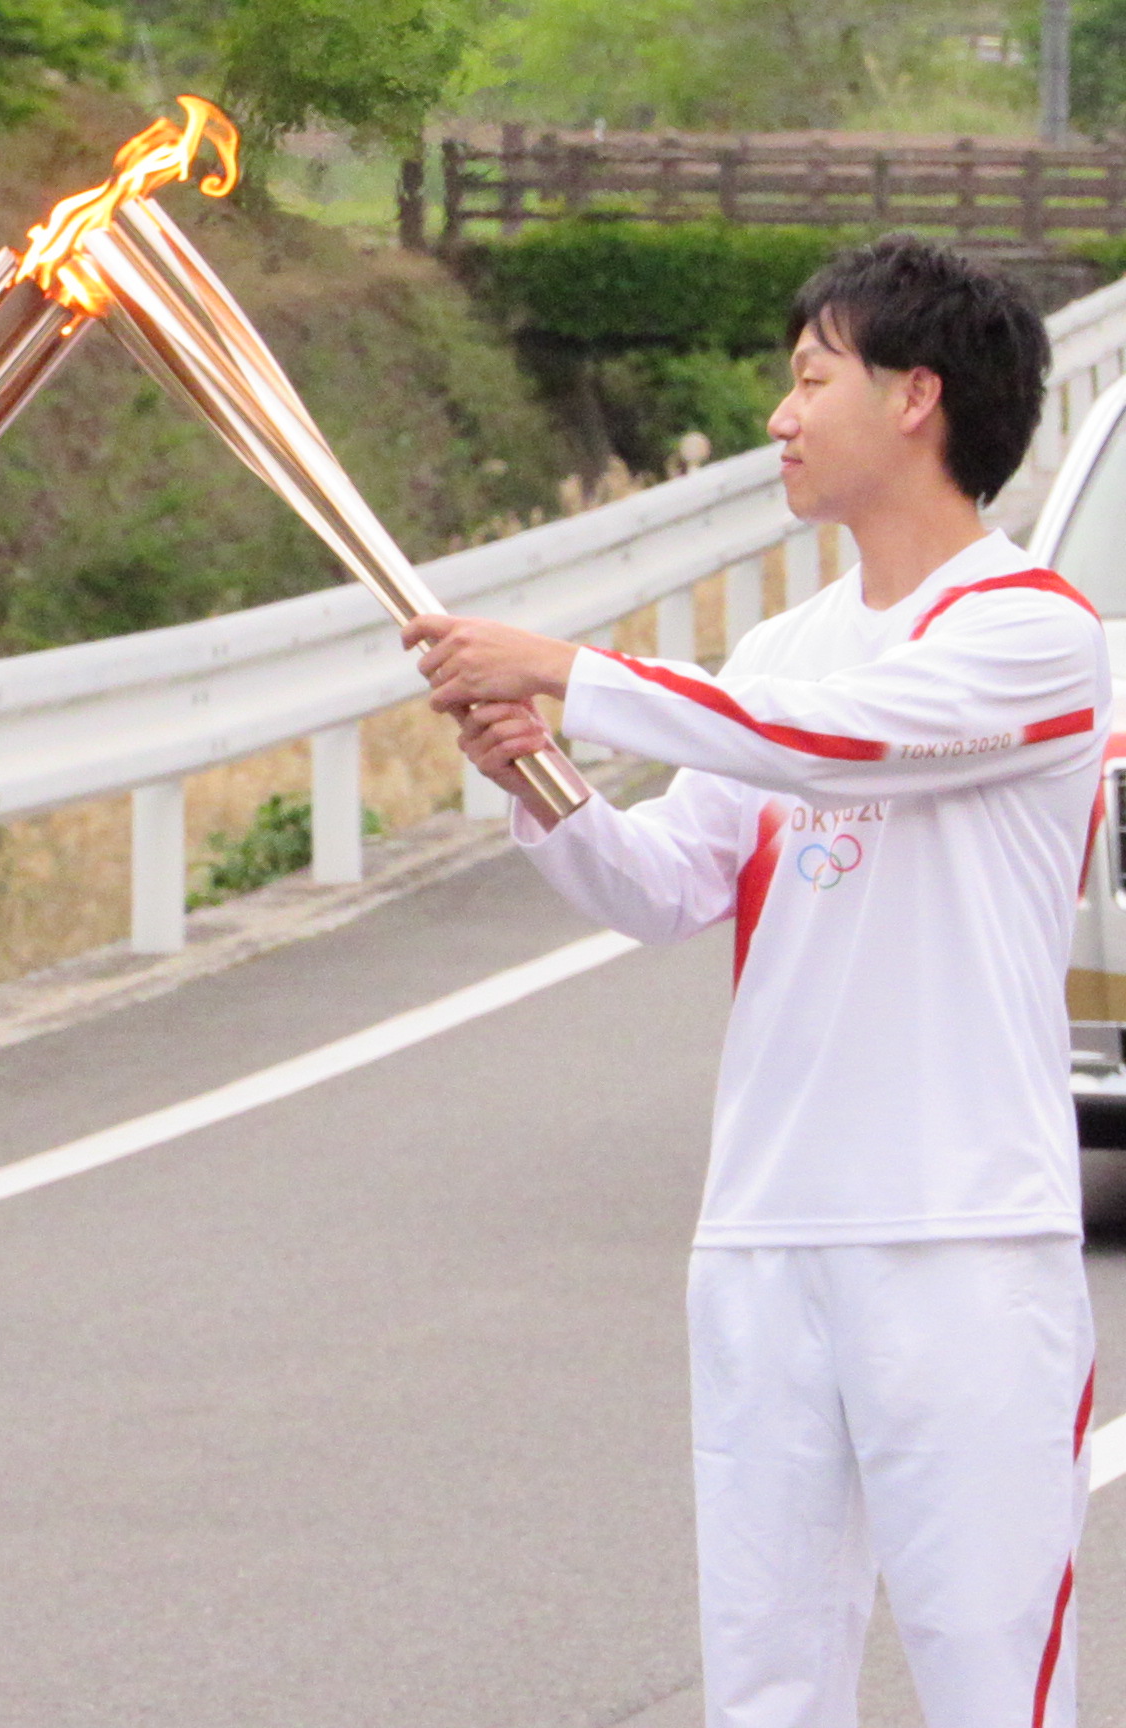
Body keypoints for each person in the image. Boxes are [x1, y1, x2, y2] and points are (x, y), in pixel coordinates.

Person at [407, 235, 1107, 1727]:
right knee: (769, 1687)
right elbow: (664, 888)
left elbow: (829, 743)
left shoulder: (1034, 636)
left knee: (990, 1683)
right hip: (768, 1234)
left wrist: (568, 672)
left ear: (918, 397)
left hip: (960, 1240)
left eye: (808, 379)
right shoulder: (787, 648)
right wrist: (544, 782)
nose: (780, 417)